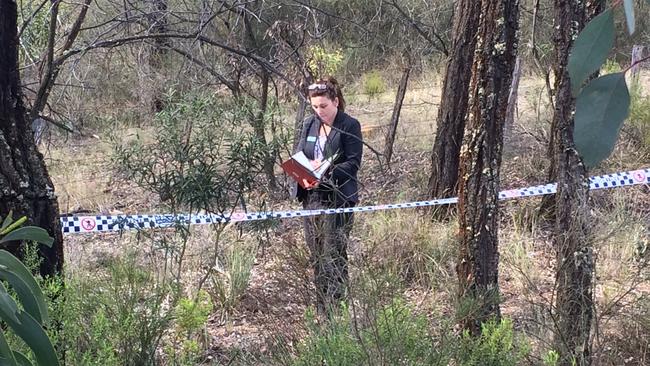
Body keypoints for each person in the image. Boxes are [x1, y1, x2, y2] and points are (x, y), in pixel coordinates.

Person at [292, 76, 363, 315]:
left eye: (324, 106)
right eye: (315, 106)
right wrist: (304, 169)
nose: (319, 111)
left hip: (337, 197)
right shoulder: (310, 124)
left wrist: (326, 169)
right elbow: (301, 153)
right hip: (311, 197)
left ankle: (338, 308)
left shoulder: (349, 125)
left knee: (333, 251)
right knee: (316, 252)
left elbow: (353, 164)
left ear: (335, 101)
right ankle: (322, 307)